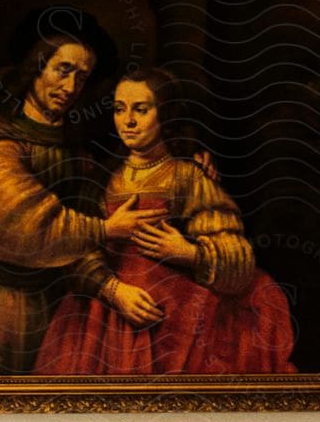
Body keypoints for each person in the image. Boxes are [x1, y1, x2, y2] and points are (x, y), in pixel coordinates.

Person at [0, 32, 164, 376]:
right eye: (62, 69)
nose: (71, 85)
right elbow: (28, 226)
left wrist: (110, 287)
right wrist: (105, 229)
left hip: (53, 307)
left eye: (82, 76)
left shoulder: (75, 154)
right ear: (36, 68)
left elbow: (84, 228)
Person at [33, 66, 296, 376]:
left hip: (176, 321)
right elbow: (76, 248)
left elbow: (237, 256)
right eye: (120, 109)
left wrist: (188, 252)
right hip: (104, 315)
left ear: (165, 115)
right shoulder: (101, 180)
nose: (128, 121)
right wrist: (113, 290)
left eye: (141, 110)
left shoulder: (186, 177)